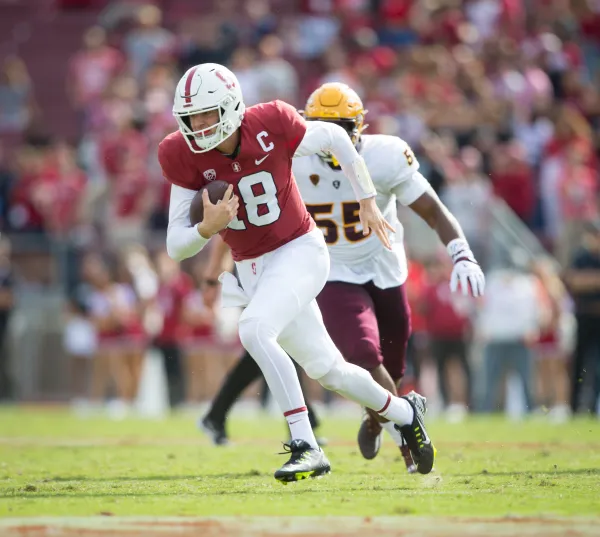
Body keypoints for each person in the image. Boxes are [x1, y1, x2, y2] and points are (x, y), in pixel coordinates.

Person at [161, 64, 448, 481]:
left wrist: (366, 195)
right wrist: (207, 227)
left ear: (230, 106)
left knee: (255, 330)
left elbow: (333, 135)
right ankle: (405, 411)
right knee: (327, 369)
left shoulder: (271, 121)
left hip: (300, 249)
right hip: (251, 266)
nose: (199, 125)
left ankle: (305, 444)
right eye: (191, 117)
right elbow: (175, 244)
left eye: (207, 113)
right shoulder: (179, 153)